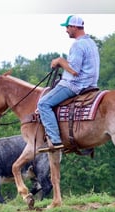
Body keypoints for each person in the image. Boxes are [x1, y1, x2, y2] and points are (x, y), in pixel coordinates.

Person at [37, 15, 100, 153]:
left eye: (67, 27)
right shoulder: (91, 42)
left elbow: (74, 70)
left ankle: (55, 140)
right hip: (90, 83)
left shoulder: (77, 45)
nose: (66, 30)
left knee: (43, 104)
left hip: (76, 85)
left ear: (74, 27)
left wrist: (59, 61)